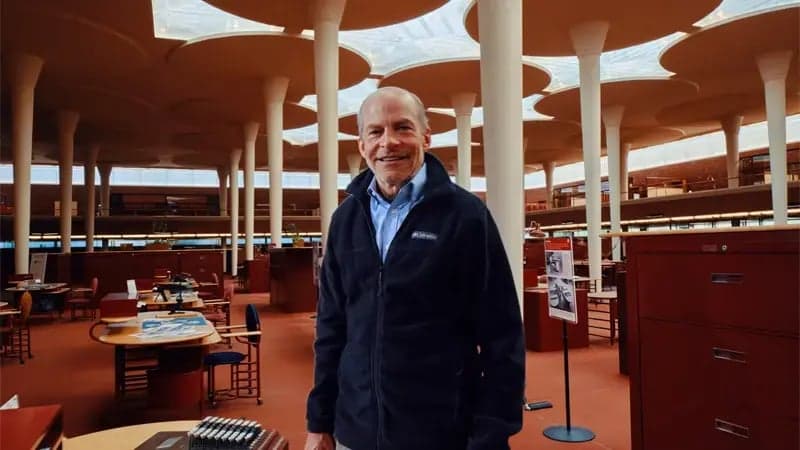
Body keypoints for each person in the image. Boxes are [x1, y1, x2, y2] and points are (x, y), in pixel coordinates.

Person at [305, 87, 525, 450]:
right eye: (375, 132)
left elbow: (503, 336)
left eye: (402, 128)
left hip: (441, 435)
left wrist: (491, 433)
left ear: (426, 137)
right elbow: (331, 329)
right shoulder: (345, 220)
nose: (388, 142)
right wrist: (319, 422)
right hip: (354, 432)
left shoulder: (465, 216)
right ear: (362, 145)